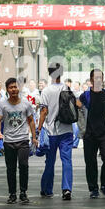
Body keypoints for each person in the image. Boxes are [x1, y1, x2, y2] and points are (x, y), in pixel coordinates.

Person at [77, 69, 105, 198]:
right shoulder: (85, 96)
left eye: (100, 77)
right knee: (90, 162)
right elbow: (80, 114)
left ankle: (104, 186)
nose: (98, 80)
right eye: (95, 78)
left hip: (104, 133)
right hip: (89, 133)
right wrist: (82, 129)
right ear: (91, 80)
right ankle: (93, 188)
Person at [0, 78, 38, 204]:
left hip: (23, 139)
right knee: (11, 168)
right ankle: (12, 193)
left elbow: (31, 120)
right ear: (7, 90)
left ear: (18, 88)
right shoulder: (3, 104)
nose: (13, 89)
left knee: (24, 166)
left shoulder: (26, 103)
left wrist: (34, 137)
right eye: (11, 87)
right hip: (9, 140)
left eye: (15, 87)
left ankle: (23, 192)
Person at [37, 63, 74, 200]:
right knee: (67, 160)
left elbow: (44, 111)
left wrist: (39, 128)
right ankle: (66, 189)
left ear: (50, 73)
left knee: (50, 161)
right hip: (67, 130)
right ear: (61, 73)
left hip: (51, 131)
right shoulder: (67, 88)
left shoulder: (46, 91)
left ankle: (46, 189)